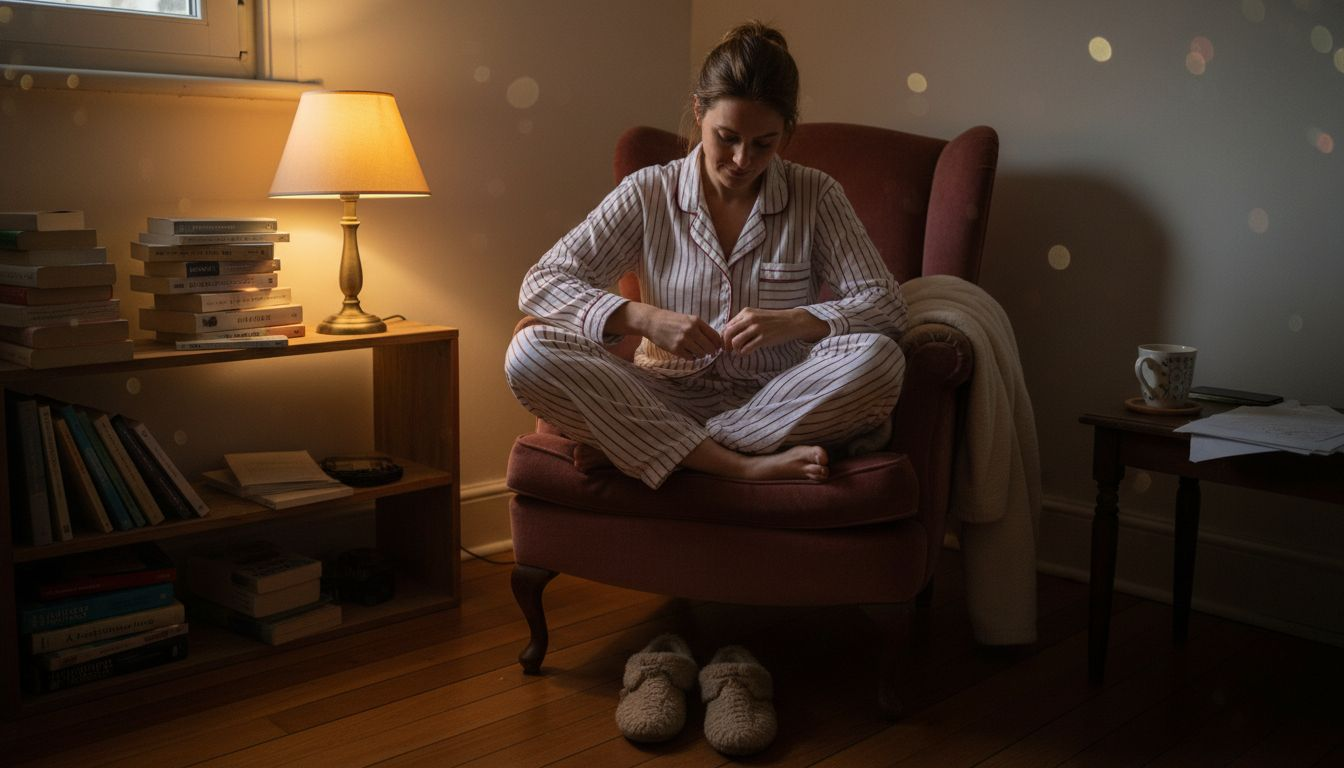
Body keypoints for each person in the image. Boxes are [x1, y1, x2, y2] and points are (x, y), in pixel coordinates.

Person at [506, 21, 907, 491]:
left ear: (787, 131)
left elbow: (887, 305)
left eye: (764, 143)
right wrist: (643, 318)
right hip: (657, 395)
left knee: (880, 358)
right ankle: (739, 466)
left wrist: (797, 321)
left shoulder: (815, 195)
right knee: (529, 352)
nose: (742, 160)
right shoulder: (649, 191)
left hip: (775, 401)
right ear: (699, 112)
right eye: (728, 137)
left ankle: (649, 449)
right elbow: (543, 282)